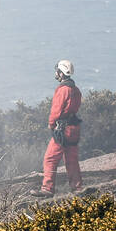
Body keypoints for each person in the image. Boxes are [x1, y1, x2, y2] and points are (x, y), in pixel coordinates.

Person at [36, 60, 83, 197]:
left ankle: (47, 188)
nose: (56, 73)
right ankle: (77, 187)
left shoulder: (63, 90)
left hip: (63, 130)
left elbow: (56, 111)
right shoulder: (76, 90)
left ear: (61, 73)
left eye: (57, 71)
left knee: (50, 158)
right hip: (74, 128)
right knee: (71, 159)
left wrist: (51, 124)